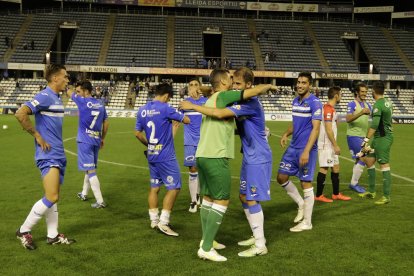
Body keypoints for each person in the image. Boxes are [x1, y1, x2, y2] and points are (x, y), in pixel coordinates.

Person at [179, 68, 276, 262]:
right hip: (247, 155)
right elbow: (218, 92)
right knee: (243, 196)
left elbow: (220, 112)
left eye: (238, 84)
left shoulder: (250, 103)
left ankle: (260, 244)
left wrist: (192, 105)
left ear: (248, 86)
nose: (234, 86)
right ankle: (255, 236)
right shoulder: (233, 98)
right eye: (233, 82)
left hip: (258, 156)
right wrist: (204, 89)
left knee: (250, 198)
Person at [14, 64, 75, 250]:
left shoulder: (56, 97)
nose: (67, 80)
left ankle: (53, 235)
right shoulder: (45, 95)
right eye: (65, 76)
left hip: (57, 152)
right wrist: (37, 135)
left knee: (53, 196)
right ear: (55, 78)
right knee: (52, 195)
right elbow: (20, 113)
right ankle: (23, 231)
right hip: (48, 155)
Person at [135, 83, 190, 237]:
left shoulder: (142, 110)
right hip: (166, 157)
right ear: (166, 96)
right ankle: (164, 223)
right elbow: (186, 120)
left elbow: (137, 133)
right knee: (174, 188)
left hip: (152, 155)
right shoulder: (166, 108)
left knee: (155, 188)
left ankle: (153, 220)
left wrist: (150, 144)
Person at [276, 72, 322, 232]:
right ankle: (301, 204)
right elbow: (296, 123)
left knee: (305, 182)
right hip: (293, 147)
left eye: (304, 82)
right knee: (281, 177)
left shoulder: (315, 103)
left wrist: (307, 151)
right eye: (299, 82)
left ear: (310, 85)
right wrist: (286, 134)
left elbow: (316, 129)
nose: (300, 85)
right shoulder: (296, 101)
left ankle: (307, 223)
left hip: (306, 149)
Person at [70, 80, 109, 208]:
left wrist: (68, 87)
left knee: (91, 170)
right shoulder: (101, 104)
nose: (78, 93)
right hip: (96, 140)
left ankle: (100, 201)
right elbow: (106, 123)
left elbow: (69, 92)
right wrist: (102, 138)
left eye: (79, 91)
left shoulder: (82, 101)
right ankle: (84, 193)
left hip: (84, 140)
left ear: (86, 91)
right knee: (89, 167)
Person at [359, 81, 393, 204]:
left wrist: (366, 139)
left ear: (373, 91)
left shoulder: (378, 104)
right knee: (369, 160)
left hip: (383, 139)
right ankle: (372, 192)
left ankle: (386, 196)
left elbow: (374, 124)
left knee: (384, 165)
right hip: (380, 138)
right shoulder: (387, 102)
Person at [315, 86, 351, 203]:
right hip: (327, 144)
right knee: (324, 168)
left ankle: (336, 194)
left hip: (330, 144)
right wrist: (335, 145)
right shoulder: (328, 109)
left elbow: (333, 126)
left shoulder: (330, 109)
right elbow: (328, 129)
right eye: (340, 95)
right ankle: (319, 195)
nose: (341, 97)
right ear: (336, 96)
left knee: (336, 167)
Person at [181, 78, 207, 213]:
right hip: (190, 141)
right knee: (192, 169)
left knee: (202, 171)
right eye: (190, 85)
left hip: (204, 142)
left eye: (196, 85)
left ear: (200, 87)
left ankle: (199, 195)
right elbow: (175, 122)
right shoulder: (184, 103)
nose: (193, 87)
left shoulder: (206, 102)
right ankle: (193, 201)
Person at [346, 82, 372, 193]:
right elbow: (348, 119)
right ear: (357, 92)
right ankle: (353, 184)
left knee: (359, 159)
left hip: (362, 137)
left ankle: (354, 183)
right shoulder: (352, 104)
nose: (364, 94)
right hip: (353, 135)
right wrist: (361, 113)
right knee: (363, 158)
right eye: (362, 91)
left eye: (366, 92)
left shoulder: (368, 105)